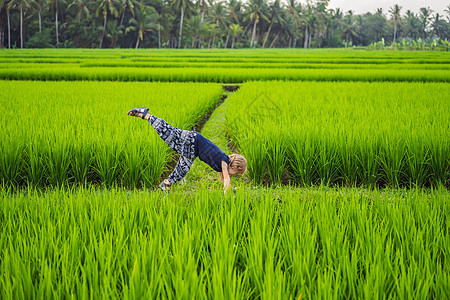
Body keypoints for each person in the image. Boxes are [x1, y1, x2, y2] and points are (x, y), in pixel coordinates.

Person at [127, 107, 247, 193]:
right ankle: (146, 115)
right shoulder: (224, 162)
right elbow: (227, 178)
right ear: (235, 167)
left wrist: (230, 189)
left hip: (193, 149)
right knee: (168, 134)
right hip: (192, 141)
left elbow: (223, 178)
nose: (234, 175)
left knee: (183, 168)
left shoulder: (222, 165)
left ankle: (166, 184)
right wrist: (227, 195)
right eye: (236, 173)